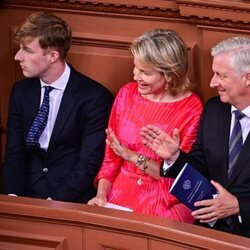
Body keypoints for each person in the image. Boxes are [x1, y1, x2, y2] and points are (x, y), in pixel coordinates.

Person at [88, 29, 203, 222]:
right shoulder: (127, 94)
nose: (135, 76)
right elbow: (110, 159)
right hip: (118, 193)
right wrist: (101, 195)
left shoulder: (191, 109)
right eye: (136, 68)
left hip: (166, 200)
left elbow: (176, 176)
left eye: (145, 72)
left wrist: (132, 157)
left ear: (170, 75)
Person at [141, 36, 250, 237]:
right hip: (210, 229)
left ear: (247, 78)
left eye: (221, 75)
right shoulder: (214, 109)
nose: (212, 82)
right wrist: (174, 157)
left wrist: (238, 206)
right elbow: (201, 165)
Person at [2, 12, 113, 203]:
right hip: (25, 190)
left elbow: (88, 163)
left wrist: (53, 203)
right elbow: (14, 152)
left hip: (68, 196)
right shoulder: (20, 92)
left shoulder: (94, 97)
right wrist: (12, 198)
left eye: (27, 50)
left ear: (53, 55)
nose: (17, 57)